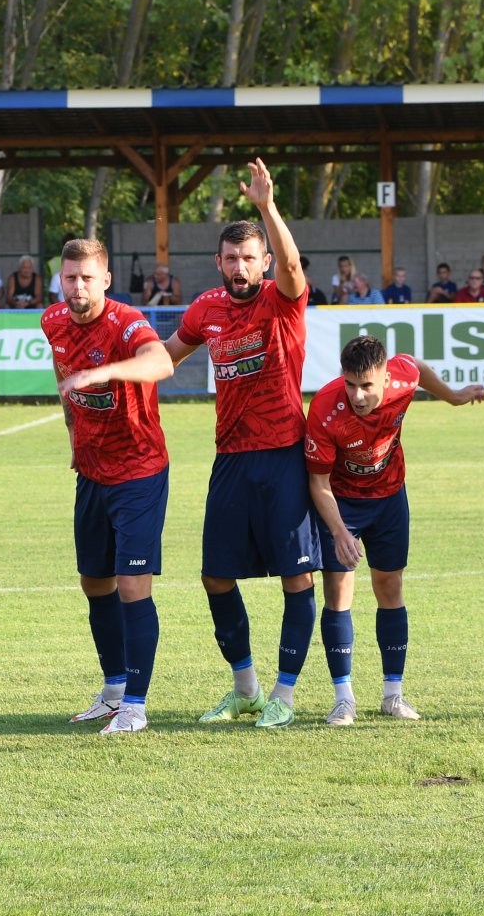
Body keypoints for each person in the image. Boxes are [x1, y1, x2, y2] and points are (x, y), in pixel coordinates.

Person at [161, 162, 313, 729]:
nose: (241, 267)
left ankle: (287, 694)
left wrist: (268, 207)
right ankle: (245, 687)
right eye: (231, 258)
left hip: (283, 457)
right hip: (230, 459)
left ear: (264, 262)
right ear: (218, 263)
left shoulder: (282, 300)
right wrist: (117, 363)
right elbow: (169, 355)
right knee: (215, 576)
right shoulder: (206, 309)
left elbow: (295, 267)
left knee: (297, 578)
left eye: (250, 258)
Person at [306, 336, 484, 724]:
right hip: (342, 505)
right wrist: (339, 532)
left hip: (389, 499)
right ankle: (343, 698)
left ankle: (393, 694)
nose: (357, 395)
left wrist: (454, 396)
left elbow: (417, 368)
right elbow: (318, 484)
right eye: (350, 383)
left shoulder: (403, 377)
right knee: (338, 592)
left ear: (386, 378)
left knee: (390, 587)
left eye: (367, 385)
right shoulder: (324, 408)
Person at [44, 238, 175, 736]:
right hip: (92, 471)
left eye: (86, 278)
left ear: (106, 280)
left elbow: (160, 362)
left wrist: (104, 370)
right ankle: (114, 690)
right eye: (69, 277)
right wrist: (74, 436)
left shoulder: (126, 321)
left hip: (139, 470)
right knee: (94, 582)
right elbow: (63, 379)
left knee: (132, 587)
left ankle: (136, 707)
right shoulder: (52, 321)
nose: (77, 287)